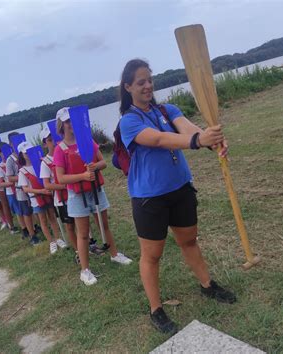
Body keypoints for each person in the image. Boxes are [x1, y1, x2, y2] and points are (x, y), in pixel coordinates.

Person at [119, 59, 236, 334]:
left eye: (149, 79)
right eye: (140, 82)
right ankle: (156, 309)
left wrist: (211, 139)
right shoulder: (129, 121)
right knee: (152, 255)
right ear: (128, 87)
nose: (148, 86)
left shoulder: (167, 110)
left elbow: (188, 128)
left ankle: (207, 285)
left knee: (189, 240)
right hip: (149, 198)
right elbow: (159, 140)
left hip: (180, 188)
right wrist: (197, 141)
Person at [54, 107, 132, 286]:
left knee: (104, 225)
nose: (71, 124)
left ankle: (114, 254)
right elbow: (61, 177)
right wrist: (82, 176)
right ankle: (85, 270)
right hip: (76, 195)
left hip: (95, 191)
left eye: (72, 120)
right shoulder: (60, 150)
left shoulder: (86, 140)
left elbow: (103, 162)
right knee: (83, 234)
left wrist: (94, 167)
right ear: (61, 125)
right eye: (67, 122)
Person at [17, 141, 66, 254]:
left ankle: (58, 238)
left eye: (29, 152)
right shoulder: (22, 171)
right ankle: (51, 242)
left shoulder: (40, 163)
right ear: (21, 155)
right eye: (25, 153)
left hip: (48, 195)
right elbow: (25, 188)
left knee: (52, 217)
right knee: (43, 220)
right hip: (36, 198)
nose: (28, 154)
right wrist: (40, 191)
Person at [39, 127, 76, 257]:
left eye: (54, 139)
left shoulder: (66, 151)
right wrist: (65, 185)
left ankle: (88, 244)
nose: (53, 143)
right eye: (49, 140)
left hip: (75, 193)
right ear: (45, 143)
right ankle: (77, 249)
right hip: (62, 199)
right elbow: (47, 184)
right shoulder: (45, 162)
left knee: (81, 222)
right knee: (69, 226)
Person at [6, 132, 39, 242]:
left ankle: (36, 227)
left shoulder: (28, 153)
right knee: (26, 212)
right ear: (11, 144)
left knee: (36, 209)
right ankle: (32, 235)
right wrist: (23, 176)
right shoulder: (10, 160)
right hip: (21, 189)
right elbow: (10, 178)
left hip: (33, 185)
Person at [0, 142, 19, 234]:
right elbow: (0, 183)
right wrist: (11, 182)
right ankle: (12, 227)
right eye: (3, 151)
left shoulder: (14, 161)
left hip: (19, 189)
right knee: (17, 211)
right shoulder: (0, 167)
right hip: (11, 191)